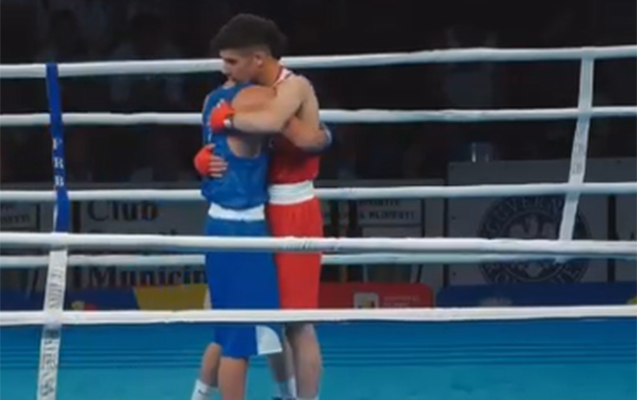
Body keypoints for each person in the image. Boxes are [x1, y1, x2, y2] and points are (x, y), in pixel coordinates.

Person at [208, 14, 328, 400]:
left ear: (258, 58)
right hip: (257, 212)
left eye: (232, 61)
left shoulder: (293, 87)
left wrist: (228, 119)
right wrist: (205, 157)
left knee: (297, 321)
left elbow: (277, 123)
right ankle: (285, 393)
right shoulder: (248, 90)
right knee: (260, 317)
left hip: (293, 209)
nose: (225, 69)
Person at [192, 82, 283, 400]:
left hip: (233, 227)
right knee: (236, 339)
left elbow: (280, 124)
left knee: (241, 331)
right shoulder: (227, 103)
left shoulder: (226, 102)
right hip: (242, 230)